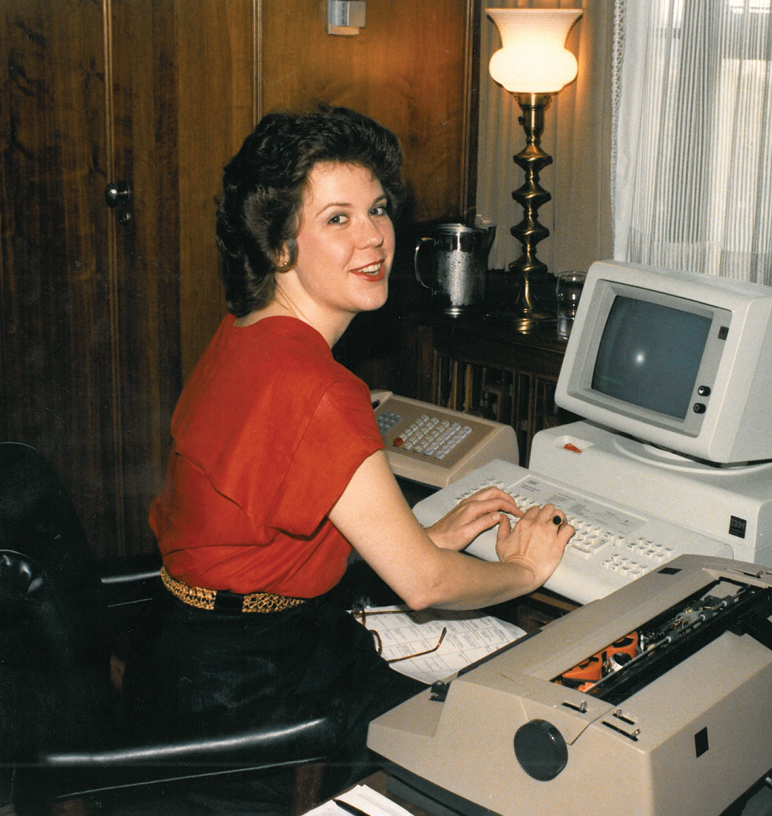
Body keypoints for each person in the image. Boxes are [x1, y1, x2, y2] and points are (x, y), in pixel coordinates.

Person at [142, 106, 573, 813]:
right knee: (521, 739)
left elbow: (263, 534)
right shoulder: (317, 386)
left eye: (376, 209)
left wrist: (419, 538)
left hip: (193, 663)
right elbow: (427, 587)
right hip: (252, 701)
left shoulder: (245, 335)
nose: (373, 236)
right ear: (279, 245)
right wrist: (522, 569)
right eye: (337, 219)